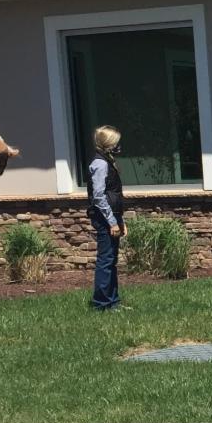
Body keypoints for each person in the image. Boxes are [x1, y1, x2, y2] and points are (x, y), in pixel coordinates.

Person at [87, 125, 126, 312]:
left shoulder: (108, 162)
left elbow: (114, 195)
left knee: (111, 260)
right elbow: (99, 197)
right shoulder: (100, 164)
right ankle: (102, 303)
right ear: (108, 144)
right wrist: (111, 222)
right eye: (116, 142)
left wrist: (120, 221)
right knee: (105, 260)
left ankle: (113, 301)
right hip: (104, 218)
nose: (119, 146)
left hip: (113, 217)